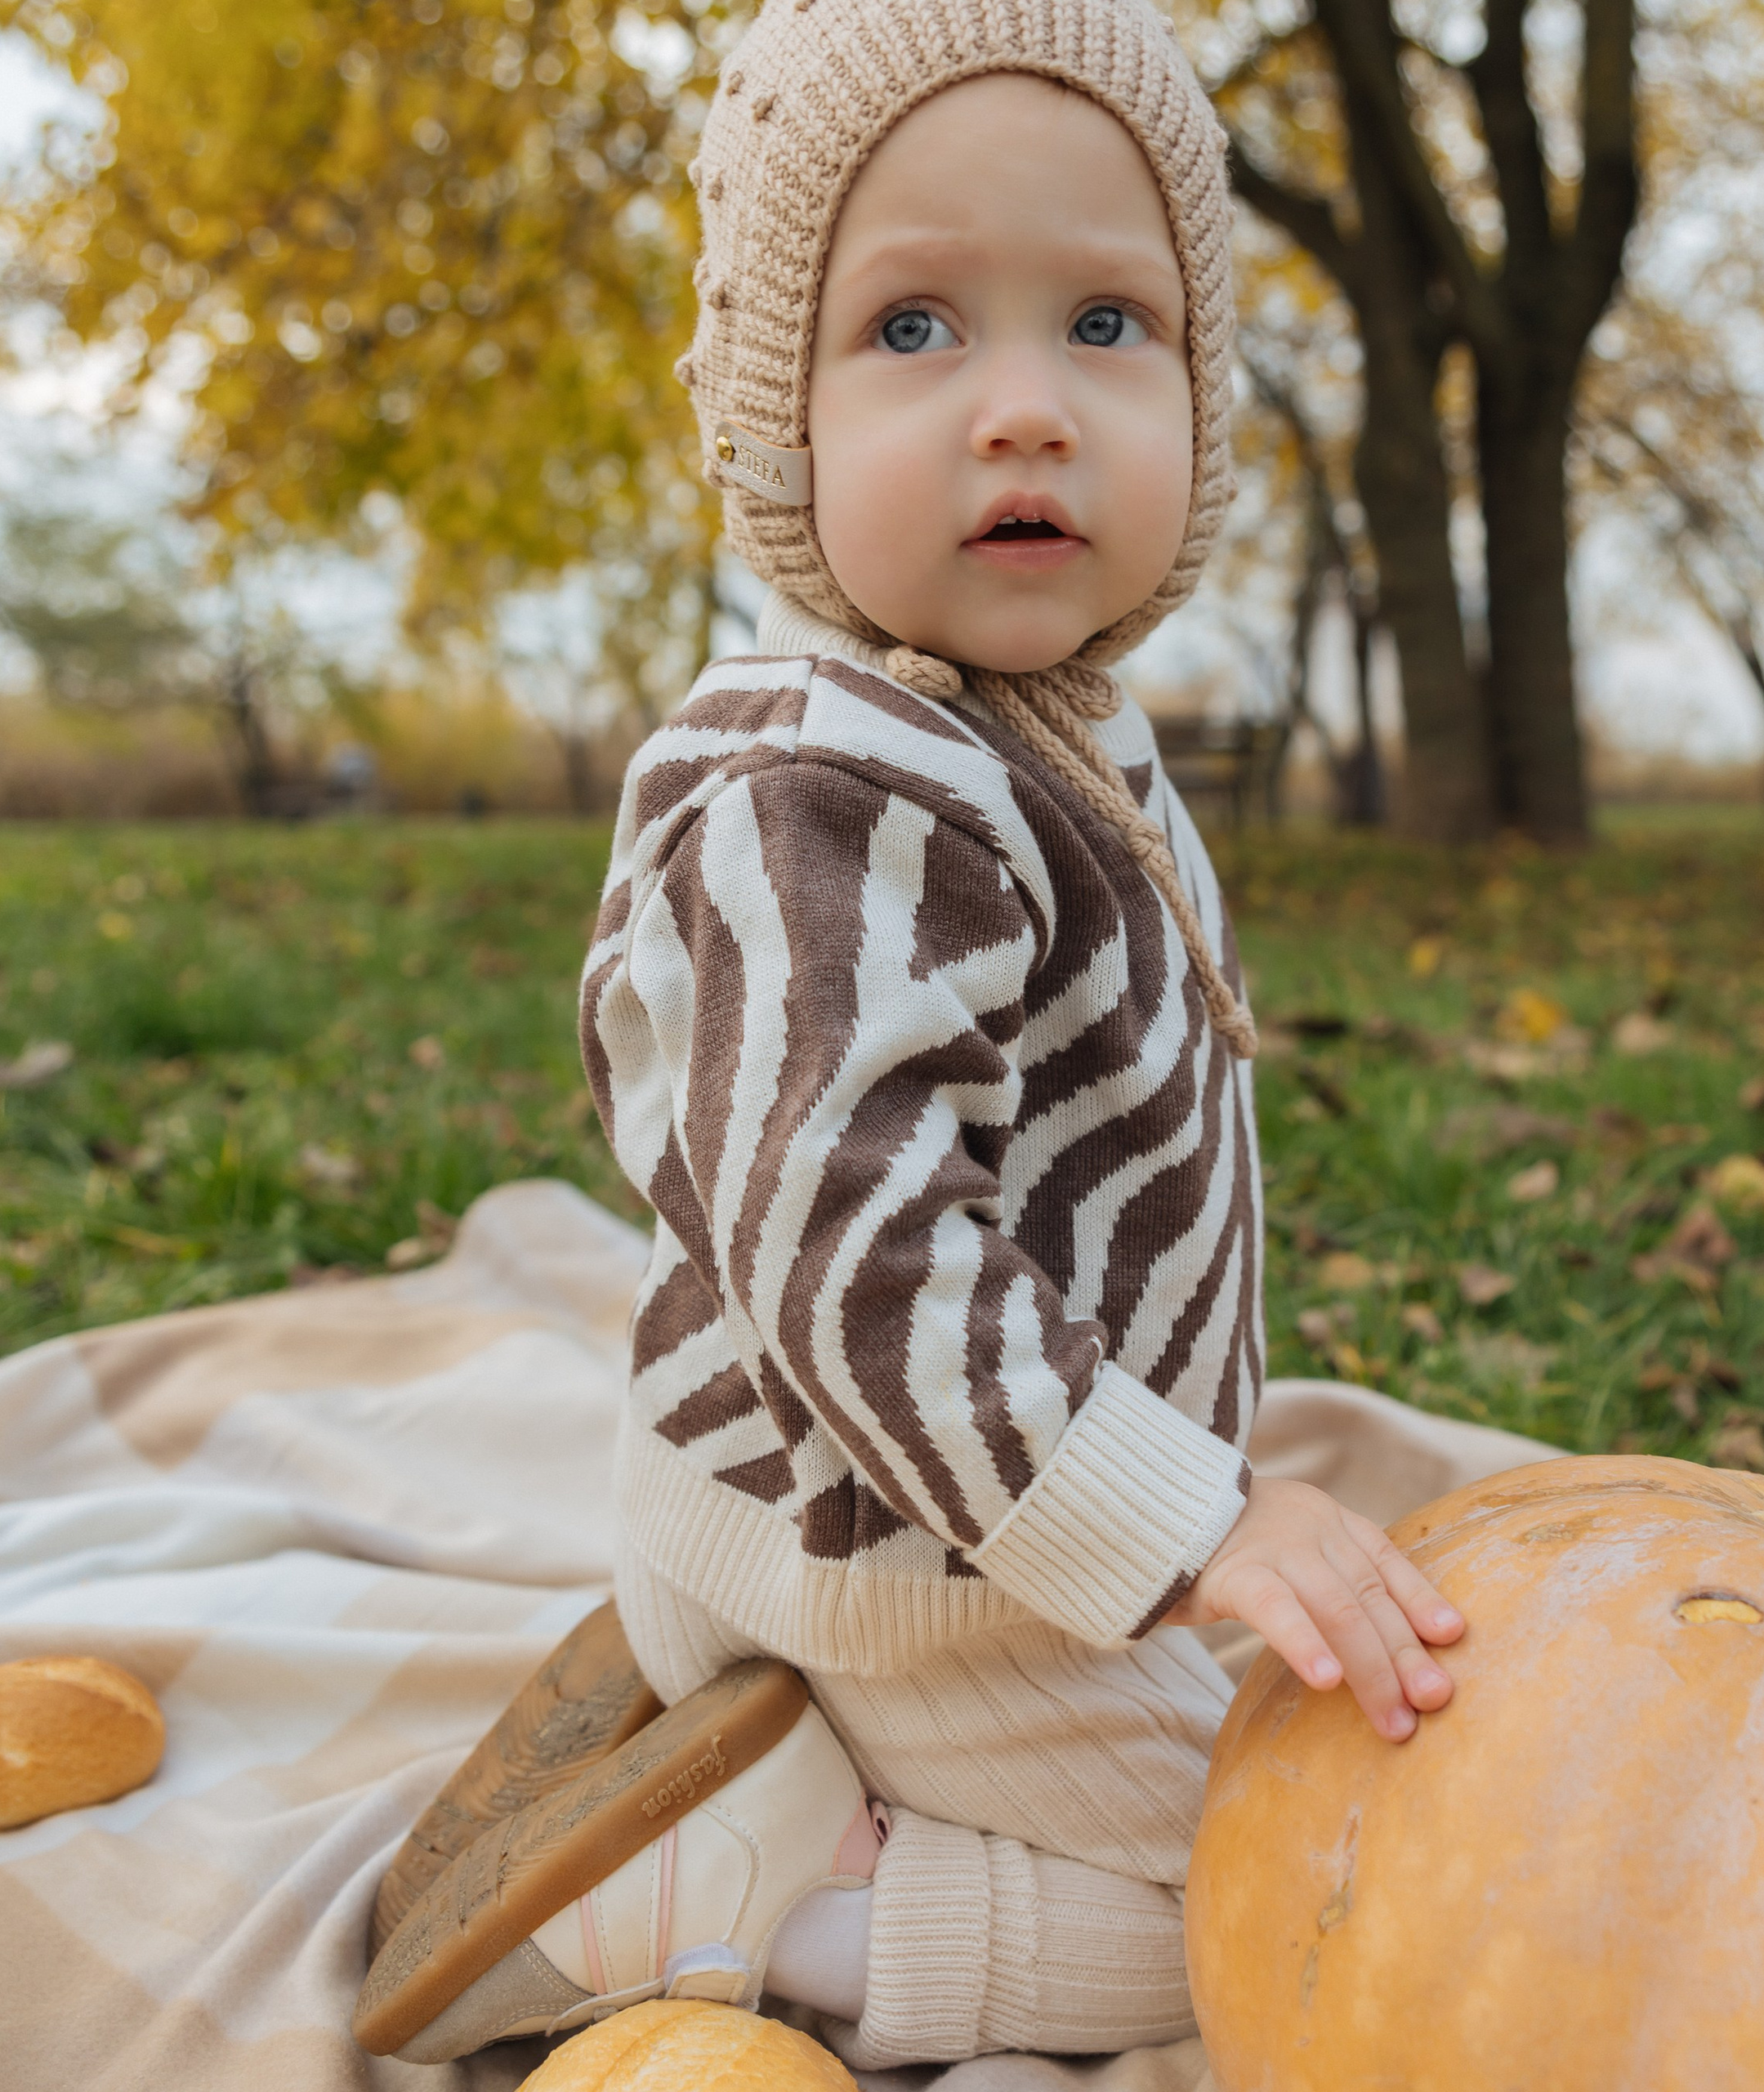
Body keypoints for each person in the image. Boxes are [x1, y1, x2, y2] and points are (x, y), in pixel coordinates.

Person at [353, 0, 1463, 2069]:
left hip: (953, 1502)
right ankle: (784, 1906)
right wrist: (1196, 1523)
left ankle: (774, 1752)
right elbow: (853, 1243)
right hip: (877, 1543)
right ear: (771, 420)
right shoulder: (827, 792)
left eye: (1106, 325)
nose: (1024, 409)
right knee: (1305, 1884)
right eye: (913, 328)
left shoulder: (1036, 728)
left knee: (1317, 1786)